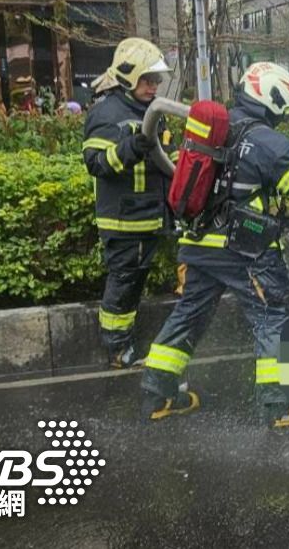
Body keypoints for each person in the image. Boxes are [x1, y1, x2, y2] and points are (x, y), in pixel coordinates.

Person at [140, 62, 289, 427]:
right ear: (270, 101)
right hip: (244, 249)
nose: (283, 120)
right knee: (273, 314)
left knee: (190, 313)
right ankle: (279, 404)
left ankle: (157, 393)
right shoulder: (269, 144)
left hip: (197, 245)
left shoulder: (217, 131)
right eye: (283, 112)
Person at [82, 37, 173, 369]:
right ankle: (117, 348)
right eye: (148, 80)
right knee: (124, 284)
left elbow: (164, 162)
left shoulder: (151, 112)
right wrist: (132, 147)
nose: (154, 86)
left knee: (135, 282)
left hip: (150, 217)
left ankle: (124, 344)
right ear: (129, 77)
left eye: (156, 80)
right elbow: (96, 163)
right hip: (123, 221)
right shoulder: (107, 113)